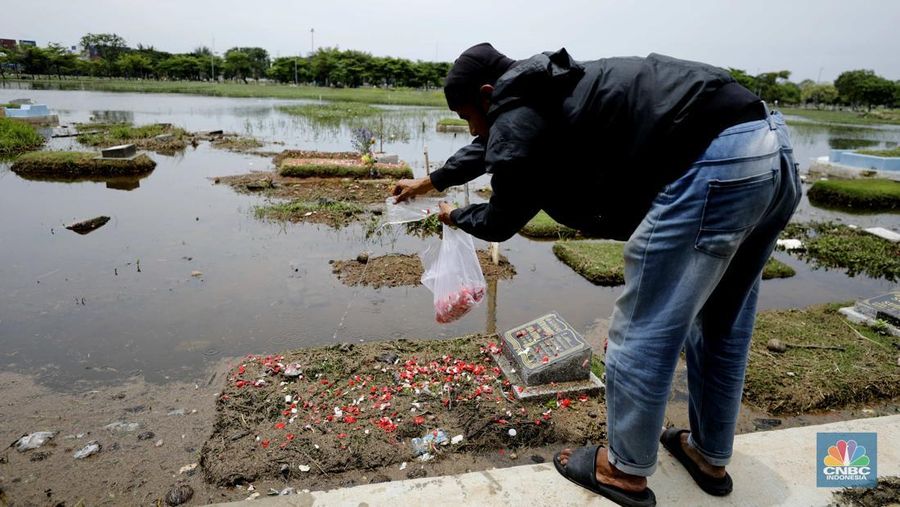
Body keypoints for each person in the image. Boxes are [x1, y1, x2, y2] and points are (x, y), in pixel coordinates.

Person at [392, 43, 801, 507]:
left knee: (644, 326)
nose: (471, 128)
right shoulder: (545, 85)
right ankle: (708, 455)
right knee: (722, 323)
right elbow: (493, 143)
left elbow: (502, 218)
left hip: (717, 163)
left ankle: (624, 471)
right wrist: (432, 181)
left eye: (468, 117)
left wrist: (455, 215)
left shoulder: (519, 112)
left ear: (487, 94)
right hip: (771, 147)